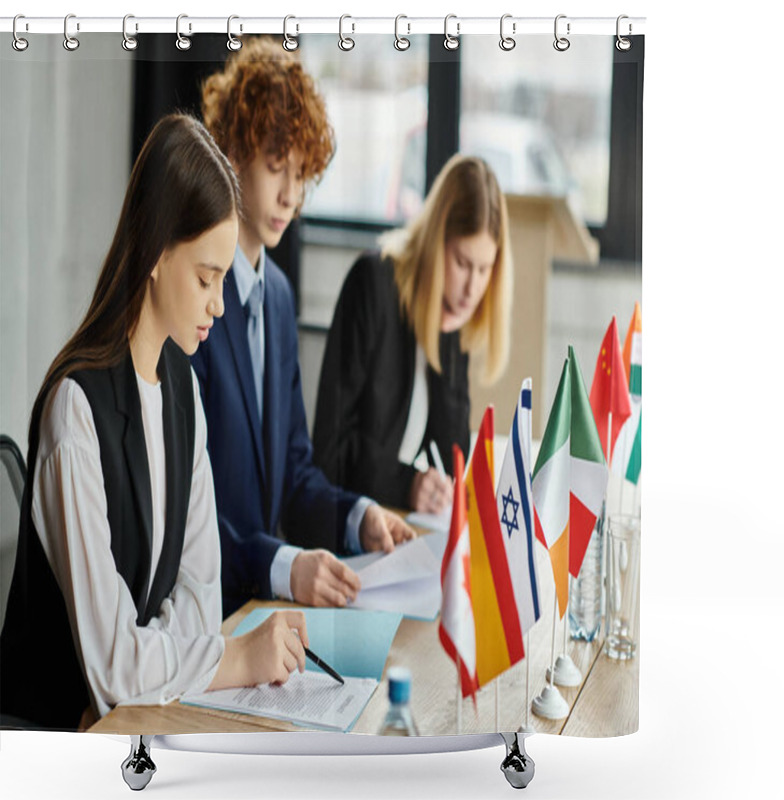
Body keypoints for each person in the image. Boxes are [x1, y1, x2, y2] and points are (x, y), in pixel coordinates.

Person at [0, 114, 310, 732]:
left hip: (138, 721)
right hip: (57, 741)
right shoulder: (74, 410)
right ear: (155, 251)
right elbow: (113, 666)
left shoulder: (184, 389)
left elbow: (200, 598)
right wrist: (233, 656)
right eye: (205, 278)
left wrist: (154, 665)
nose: (219, 304)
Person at [195, 36, 414, 619]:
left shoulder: (280, 299)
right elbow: (185, 506)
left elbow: (293, 472)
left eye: (301, 173)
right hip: (200, 611)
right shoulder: (192, 300)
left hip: (259, 610)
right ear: (233, 150)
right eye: (275, 167)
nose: (290, 195)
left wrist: (356, 515)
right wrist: (284, 565)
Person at [312, 154, 513, 514]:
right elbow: (331, 451)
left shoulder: (453, 310)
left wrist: (447, 349)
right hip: (350, 527)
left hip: (399, 526)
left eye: (485, 269)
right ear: (436, 242)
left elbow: (453, 461)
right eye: (463, 264)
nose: (472, 287)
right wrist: (408, 485)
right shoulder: (373, 283)